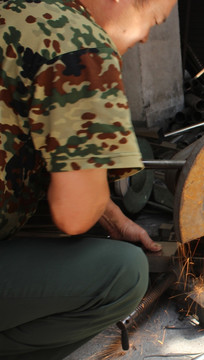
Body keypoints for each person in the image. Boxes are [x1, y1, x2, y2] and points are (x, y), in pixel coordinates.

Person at [0, 0, 178, 358]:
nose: (144, 39)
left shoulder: (20, 9)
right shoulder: (83, 45)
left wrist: (112, 215)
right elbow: (75, 215)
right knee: (123, 274)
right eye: (152, 21)